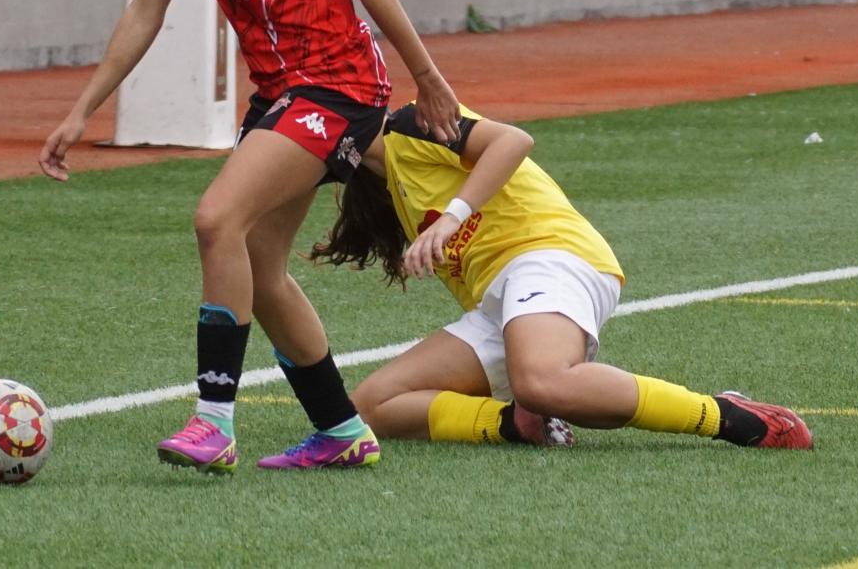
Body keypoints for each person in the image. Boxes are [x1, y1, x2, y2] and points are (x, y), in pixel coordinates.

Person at [38, 0, 462, 474]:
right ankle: (340, 428)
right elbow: (147, 9)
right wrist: (82, 108)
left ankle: (213, 421)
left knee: (215, 217)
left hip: (341, 88)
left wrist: (427, 78)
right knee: (260, 271)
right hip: (279, 93)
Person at [312, 103, 813, 452]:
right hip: (500, 299)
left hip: (550, 256)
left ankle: (725, 416)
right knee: (372, 408)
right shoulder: (388, 181)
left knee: (542, 379)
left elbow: (514, 140)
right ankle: (516, 425)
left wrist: (452, 216)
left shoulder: (413, 123)